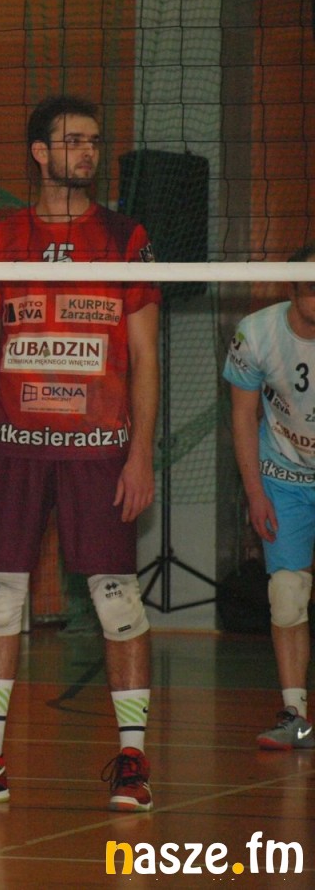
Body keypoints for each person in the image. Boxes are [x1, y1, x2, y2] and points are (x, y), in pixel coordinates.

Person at [0, 95, 160, 812]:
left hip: (98, 447)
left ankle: (133, 762)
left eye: (94, 141)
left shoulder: (125, 236)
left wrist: (140, 453)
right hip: (12, 448)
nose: (87, 153)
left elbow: (146, 355)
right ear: (39, 152)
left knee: (117, 600)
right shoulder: (3, 238)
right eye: (72, 141)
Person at [224, 241, 315, 750]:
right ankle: (295, 717)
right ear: (293, 288)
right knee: (286, 595)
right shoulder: (256, 333)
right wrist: (254, 492)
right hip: (284, 476)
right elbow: (242, 416)